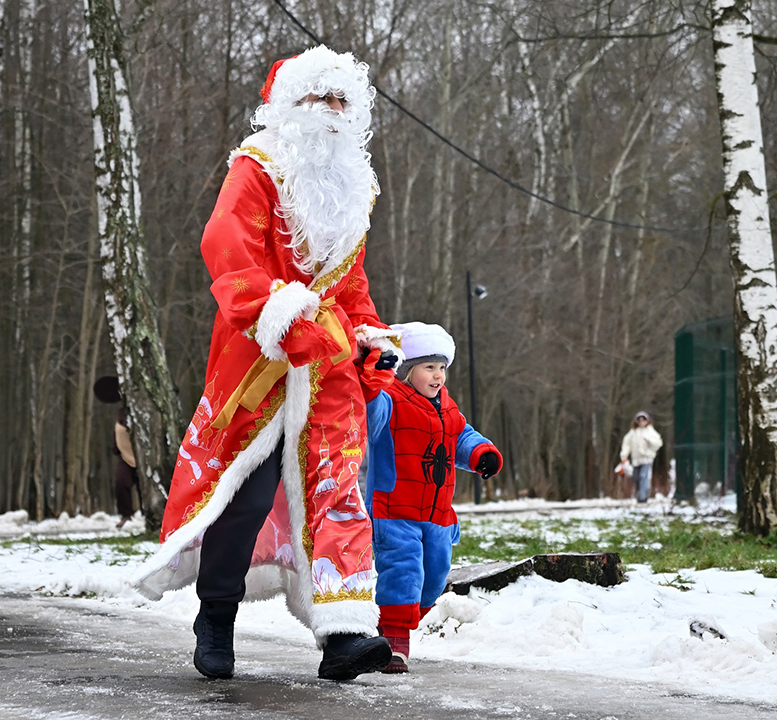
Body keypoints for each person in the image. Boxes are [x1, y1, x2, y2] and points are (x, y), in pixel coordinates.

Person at [131, 45, 402, 682]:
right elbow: (226, 249)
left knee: (338, 498)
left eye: (343, 101)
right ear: (289, 107)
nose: (332, 113)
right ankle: (216, 614)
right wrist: (280, 314)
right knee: (243, 496)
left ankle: (343, 635)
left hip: (330, 370)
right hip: (259, 362)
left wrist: (369, 336)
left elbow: (352, 283)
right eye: (319, 99)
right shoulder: (256, 170)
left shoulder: (354, 188)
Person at [363, 322, 502, 673]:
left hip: (438, 514)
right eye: (429, 368)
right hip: (394, 509)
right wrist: (373, 381)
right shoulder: (390, 399)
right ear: (407, 370)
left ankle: (393, 623)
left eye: (442, 368)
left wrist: (480, 453)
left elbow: (463, 436)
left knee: (435, 577)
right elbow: (370, 416)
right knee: (403, 572)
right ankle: (395, 644)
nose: (438, 376)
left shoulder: (447, 408)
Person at [93, 376, 142, 528]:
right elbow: (120, 432)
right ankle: (126, 515)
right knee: (121, 482)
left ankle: (151, 514)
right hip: (125, 455)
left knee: (144, 486)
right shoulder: (122, 412)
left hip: (143, 457)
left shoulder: (142, 410)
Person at [619, 411, 664, 503]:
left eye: (643, 420)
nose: (641, 422)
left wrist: (649, 441)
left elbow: (658, 443)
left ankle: (642, 498)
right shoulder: (633, 432)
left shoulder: (651, 432)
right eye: (639, 420)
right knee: (636, 478)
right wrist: (624, 455)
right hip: (636, 459)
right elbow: (626, 444)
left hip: (647, 458)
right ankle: (642, 493)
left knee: (643, 476)